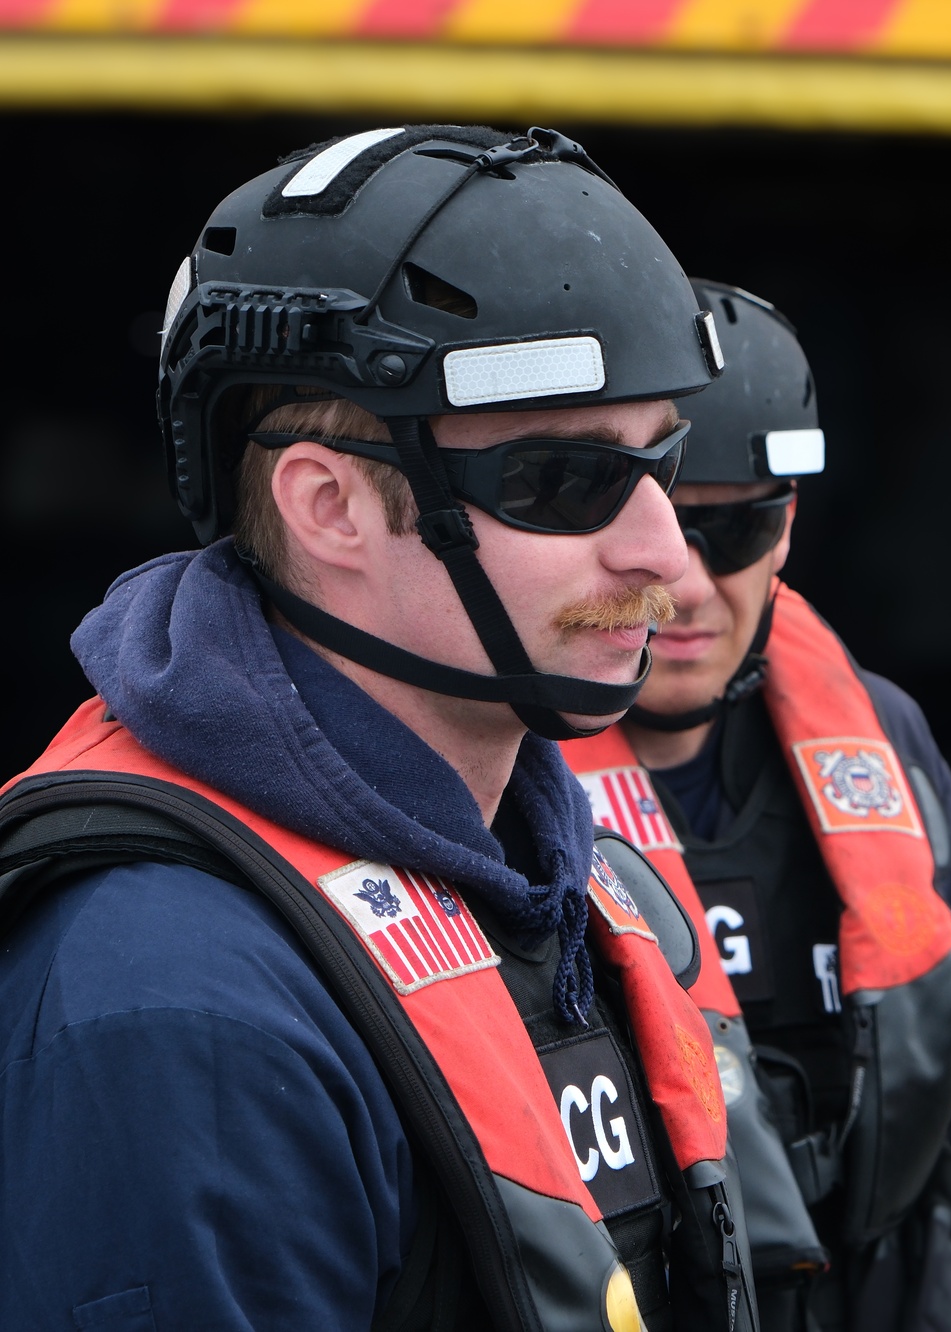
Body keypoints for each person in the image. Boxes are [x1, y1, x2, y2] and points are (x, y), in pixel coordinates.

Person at [0, 129, 760, 1330]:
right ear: (329, 506)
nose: (665, 552)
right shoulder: (174, 997)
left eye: (662, 459)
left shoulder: (563, 876)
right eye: (566, 482)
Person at [562, 279, 951, 1332]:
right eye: (652, 525)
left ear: (790, 529)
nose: (685, 580)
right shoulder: (484, 776)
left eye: (736, 528)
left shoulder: (881, 744)